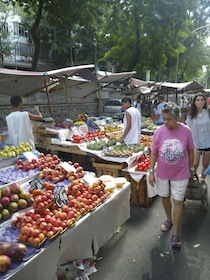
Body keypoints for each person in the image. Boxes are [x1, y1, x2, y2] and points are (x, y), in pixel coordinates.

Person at [149, 102, 195, 248]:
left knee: (178, 201)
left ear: (177, 118)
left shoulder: (186, 130)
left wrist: (191, 169)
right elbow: (154, 152)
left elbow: (191, 151)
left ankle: (175, 233)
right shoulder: (159, 132)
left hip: (181, 172)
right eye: (164, 118)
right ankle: (169, 219)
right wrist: (151, 171)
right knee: (164, 196)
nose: (166, 122)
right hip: (162, 172)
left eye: (169, 119)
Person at [185, 93, 210, 180]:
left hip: (207, 141)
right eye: (198, 100)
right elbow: (187, 127)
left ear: (205, 102)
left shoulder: (208, 113)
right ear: (194, 102)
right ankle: (193, 178)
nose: (200, 102)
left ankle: (202, 179)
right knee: (194, 163)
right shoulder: (191, 114)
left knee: (206, 163)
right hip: (195, 142)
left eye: (202, 100)